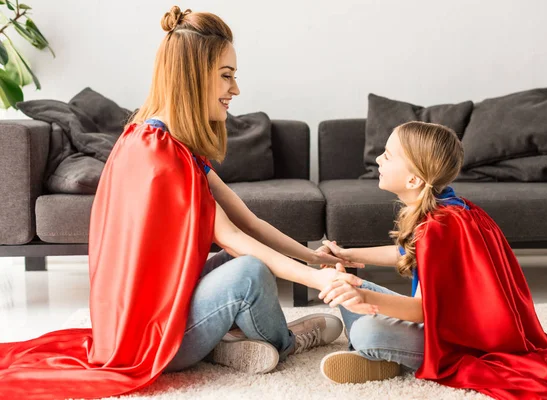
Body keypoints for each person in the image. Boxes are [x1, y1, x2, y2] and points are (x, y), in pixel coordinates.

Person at [0, 7, 370, 399]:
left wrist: (317, 260)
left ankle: (228, 341)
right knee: (247, 271)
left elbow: (247, 221)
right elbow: (234, 240)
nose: (236, 90)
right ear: (194, 75)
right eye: (226, 76)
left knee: (243, 264)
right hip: (157, 340)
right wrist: (321, 283)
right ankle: (287, 341)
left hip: (159, 309)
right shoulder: (161, 156)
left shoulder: (158, 138)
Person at [316, 121, 547, 399]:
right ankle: (383, 358)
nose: (378, 158)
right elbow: (406, 252)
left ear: (414, 180)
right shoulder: (442, 206)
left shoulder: (440, 227)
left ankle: (382, 356)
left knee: (367, 330)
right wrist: (347, 255)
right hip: (446, 323)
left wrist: (361, 296)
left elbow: (423, 311)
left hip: (458, 340)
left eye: (387, 155)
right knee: (339, 282)